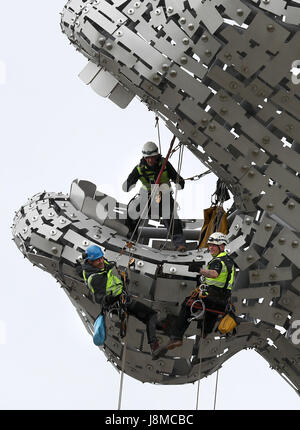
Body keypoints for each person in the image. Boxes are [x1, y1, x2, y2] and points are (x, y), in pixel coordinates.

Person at [153, 232, 235, 360]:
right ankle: (205, 332)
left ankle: (176, 337)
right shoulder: (230, 261)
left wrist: (199, 270)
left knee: (187, 305)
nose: (211, 248)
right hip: (222, 301)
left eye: (215, 245)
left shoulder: (218, 261)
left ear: (222, 247)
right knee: (211, 314)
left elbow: (214, 274)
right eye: (210, 245)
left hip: (210, 297)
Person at [76, 245, 160, 356]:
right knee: (151, 315)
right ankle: (154, 346)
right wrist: (112, 297)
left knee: (147, 317)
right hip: (119, 303)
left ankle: (160, 327)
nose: (101, 261)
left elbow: (79, 269)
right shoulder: (95, 278)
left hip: (121, 299)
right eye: (97, 260)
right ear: (90, 261)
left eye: (101, 258)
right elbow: (100, 298)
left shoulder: (97, 265)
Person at [122, 141, 187, 252]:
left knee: (171, 217)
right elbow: (127, 185)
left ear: (156, 155)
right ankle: (131, 238)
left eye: (152, 157)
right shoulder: (139, 169)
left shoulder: (165, 165)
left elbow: (177, 178)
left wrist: (179, 183)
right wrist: (129, 184)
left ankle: (179, 244)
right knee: (133, 211)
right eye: (147, 158)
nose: (150, 160)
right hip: (147, 197)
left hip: (164, 196)